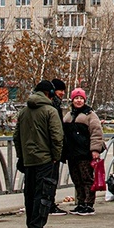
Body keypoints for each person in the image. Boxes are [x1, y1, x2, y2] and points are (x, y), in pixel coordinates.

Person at [13, 80, 66, 228]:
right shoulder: (50, 111)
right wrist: (56, 156)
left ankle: (31, 224)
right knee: (43, 193)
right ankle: (37, 227)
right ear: (49, 93)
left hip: (28, 160)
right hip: (45, 159)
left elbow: (16, 137)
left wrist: (21, 156)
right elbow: (57, 136)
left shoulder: (23, 112)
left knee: (29, 193)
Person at [62, 88, 105, 216]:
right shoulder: (69, 116)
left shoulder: (90, 115)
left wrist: (95, 150)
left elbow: (97, 133)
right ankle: (80, 203)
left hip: (85, 153)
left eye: (81, 98)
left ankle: (89, 204)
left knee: (87, 179)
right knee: (76, 179)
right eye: (76, 98)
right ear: (72, 100)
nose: (79, 101)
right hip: (72, 153)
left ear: (85, 100)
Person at [48, 78, 68, 214]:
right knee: (50, 179)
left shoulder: (55, 105)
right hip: (51, 150)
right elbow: (56, 130)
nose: (62, 93)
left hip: (50, 149)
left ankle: (48, 203)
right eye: (60, 90)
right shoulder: (52, 107)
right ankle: (49, 204)